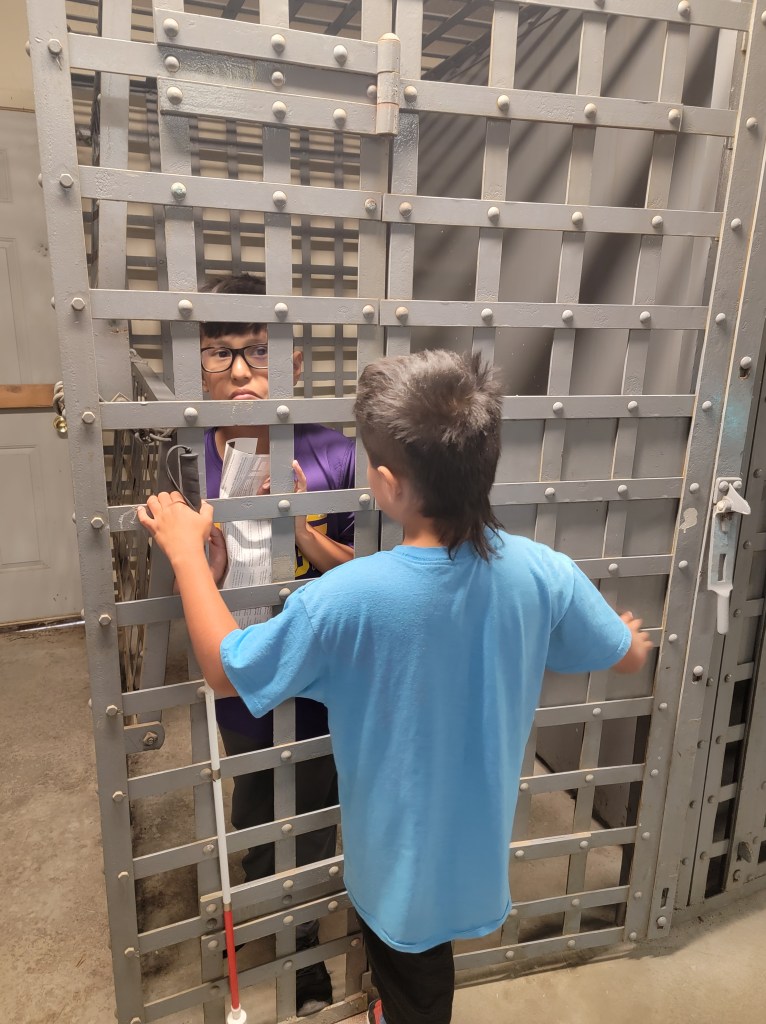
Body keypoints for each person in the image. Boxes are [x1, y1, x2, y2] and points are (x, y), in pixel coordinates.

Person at [139, 349, 652, 1024]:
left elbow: (226, 666)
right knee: (421, 971)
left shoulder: (348, 599)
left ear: (382, 482)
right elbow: (623, 654)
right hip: (477, 858)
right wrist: (631, 638)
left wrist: (185, 559)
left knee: (416, 987)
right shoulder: (543, 572)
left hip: (395, 874)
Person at [199, 274, 355, 1016]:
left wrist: (302, 531)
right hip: (241, 674)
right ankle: (256, 906)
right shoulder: (186, 451)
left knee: (318, 809)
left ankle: (306, 966)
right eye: (219, 351)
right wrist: (212, 566)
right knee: (256, 801)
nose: (239, 371)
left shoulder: (332, 453)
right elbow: (182, 586)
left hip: (324, 680)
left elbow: (375, 570)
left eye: (258, 351)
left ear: (291, 361)